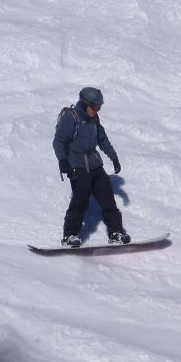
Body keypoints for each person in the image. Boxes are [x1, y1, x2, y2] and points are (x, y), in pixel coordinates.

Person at [52, 87, 131, 247]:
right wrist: (63, 161)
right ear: (84, 103)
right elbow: (58, 141)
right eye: (95, 107)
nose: (97, 110)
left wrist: (113, 157)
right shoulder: (71, 117)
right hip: (77, 166)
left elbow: (102, 139)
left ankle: (116, 232)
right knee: (80, 201)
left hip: (95, 164)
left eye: (99, 107)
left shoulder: (94, 119)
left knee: (108, 199)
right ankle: (69, 236)